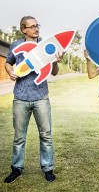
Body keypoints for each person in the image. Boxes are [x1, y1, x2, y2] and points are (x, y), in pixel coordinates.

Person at [4, 16, 64, 183]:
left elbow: (54, 72)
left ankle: (47, 168)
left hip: (41, 97)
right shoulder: (16, 45)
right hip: (21, 97)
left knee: (46, 135)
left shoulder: (46, 46)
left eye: (37, 25)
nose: (36, 29)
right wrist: (10, 72)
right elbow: (8, 62)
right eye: (32, 26)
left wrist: (56, 61)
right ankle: (16, 168)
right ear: (24, 29)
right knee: (19, 137)